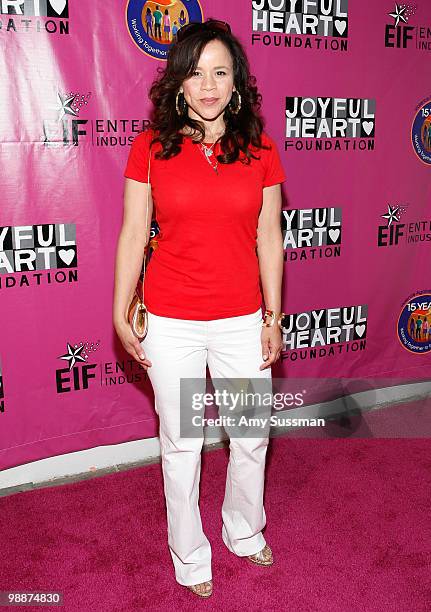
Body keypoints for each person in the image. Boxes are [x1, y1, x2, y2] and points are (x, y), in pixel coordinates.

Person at [113, 18, 286, 598]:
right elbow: (135, 231)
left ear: (236, 82)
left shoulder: (261, 150)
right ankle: (189, 556)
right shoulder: (151, 148)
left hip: (242, 320)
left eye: (220, 71)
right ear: (179, 83)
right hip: (172, 323)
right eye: (195, 72)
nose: (208, 85)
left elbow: (268, 236)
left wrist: (273, 314)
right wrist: (121, 309)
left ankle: (243, 529)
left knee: (250, 436)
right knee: (182, 445)